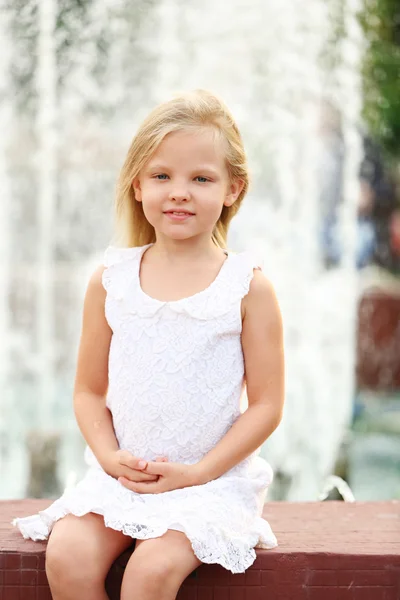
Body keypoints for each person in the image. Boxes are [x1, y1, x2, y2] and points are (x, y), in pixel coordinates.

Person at [13, 89, 285, 600]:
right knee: (67, 556)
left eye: (201, 178)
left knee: (149, 574)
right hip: (123, 481)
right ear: (137, 185)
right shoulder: (110, 281)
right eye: (162, 176)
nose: (179, 191)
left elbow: (267, 405)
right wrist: (109, 456)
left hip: (207, 485)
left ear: (233, 189)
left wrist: (200, 471)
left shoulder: (247, 287)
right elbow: (89, 392)